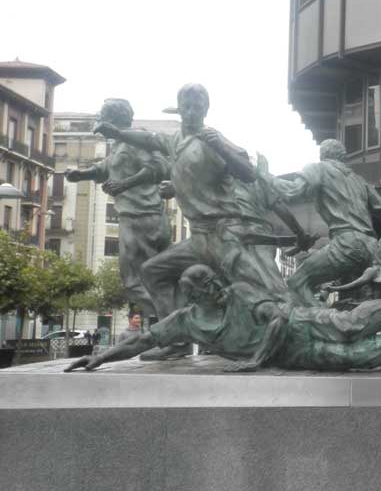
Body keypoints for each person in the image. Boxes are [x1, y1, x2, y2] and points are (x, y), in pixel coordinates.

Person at [92, 84, 316, 319]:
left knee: (271, 294)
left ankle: (310, 325)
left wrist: (221, 147)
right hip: (199, 238)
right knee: (151, 271)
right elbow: (150, 139)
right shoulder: (176, 139)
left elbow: (248, 173)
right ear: (179, 109)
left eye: (196, 107)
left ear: (205, 110)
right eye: (186, 107)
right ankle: (177, 334)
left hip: (224, 236)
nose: (191, 113)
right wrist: (118, 133)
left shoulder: (213, 139)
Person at [65, 265, 381, 373]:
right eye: (207, 285)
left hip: (298, 324)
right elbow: (144, 340)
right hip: (288, 355)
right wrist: (99, 358)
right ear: (194, 295)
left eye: (215, 280)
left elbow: (278, 321)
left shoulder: (241, 294)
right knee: (349, 359)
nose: (217, 286)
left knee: (350, 326)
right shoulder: (187, 320)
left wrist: (255, 361)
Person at [64, 99, 171, 320]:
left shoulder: (136, 139)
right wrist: (81, 175)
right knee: (155, 276)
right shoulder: (122, 146)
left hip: (140, 217)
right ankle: (170, 325)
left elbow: (160, 167)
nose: (101, 129)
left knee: (133, 280)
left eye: (103, 121)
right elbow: (106, 167)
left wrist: (125, 184)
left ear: (113, 120)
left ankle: (171, 322)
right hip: (145, 217)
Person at [273, 139, 381, 302]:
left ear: (322, 155)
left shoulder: (318, 168)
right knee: (360, 300)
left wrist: (267, 179)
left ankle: (322, 321)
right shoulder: (360, 181)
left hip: (346, 245)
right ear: (343, 157)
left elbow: (292, 192)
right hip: (372, 247)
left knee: (297, 282)